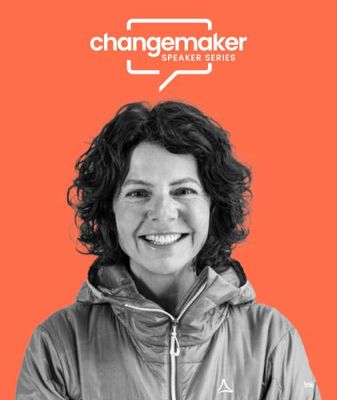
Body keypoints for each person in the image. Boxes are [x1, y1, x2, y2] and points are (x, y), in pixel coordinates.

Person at [17, 102, 319, 399]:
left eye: (183, 191)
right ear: (109, 210)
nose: (162, 213)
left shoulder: (271, 339)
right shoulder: (58, 343)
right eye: (138, 193)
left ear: (213, 204)